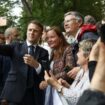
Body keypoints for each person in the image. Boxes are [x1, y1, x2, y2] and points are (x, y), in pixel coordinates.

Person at [0, 20, 49, 105]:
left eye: (35, 31)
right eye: (30, 30)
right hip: (14, 94)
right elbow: (2, 48)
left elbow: (46, 72)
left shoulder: (44, 52)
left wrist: (36, 65)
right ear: (26, 31)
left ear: (41, 35)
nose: (32, 33)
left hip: (34, 95)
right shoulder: (15, 46)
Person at [44, 39, 95, 105]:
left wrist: (56, 84)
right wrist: (66, 86)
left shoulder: (92, 74)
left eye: (79, 51)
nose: (76, 54)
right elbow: (76, 92)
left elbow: (68, 69)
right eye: (48, 37)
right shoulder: (52, 53)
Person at [39, 26, 75, 105]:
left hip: (65, 92)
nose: (49, 40)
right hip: (54, 92)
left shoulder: (68, 49)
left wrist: (49, 81)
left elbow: (69, 70)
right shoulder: (52, 52)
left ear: (60, 38)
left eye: (52, 37)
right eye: (47, 38)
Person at [77, 38, 105, 105]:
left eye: (79, 51)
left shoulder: (91, 72)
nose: (76, 54)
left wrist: (58, 87)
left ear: (87, 55)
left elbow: (78, 98)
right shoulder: (81, 71)